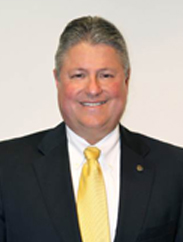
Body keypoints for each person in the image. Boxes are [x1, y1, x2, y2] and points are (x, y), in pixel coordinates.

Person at [0, 16, 182, 242]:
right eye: (79, 75)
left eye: (106, 75)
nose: (94, 89)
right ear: (57, 80)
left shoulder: (175, 170)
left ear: (126, 79)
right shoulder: (6, 169)